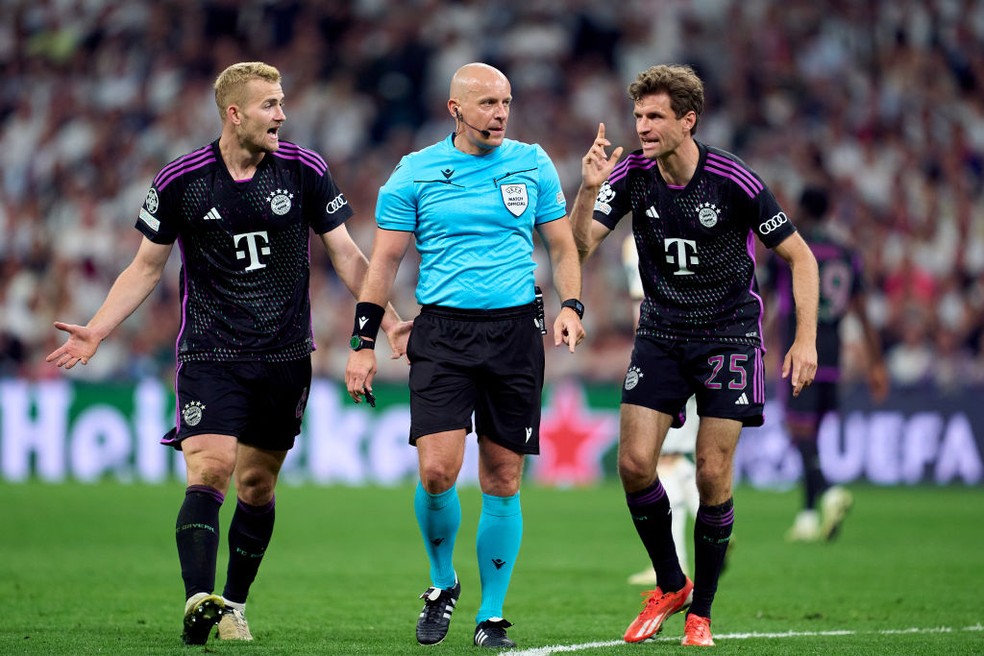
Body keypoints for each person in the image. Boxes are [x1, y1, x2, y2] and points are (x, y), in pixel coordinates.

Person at [46, 61, 409, 646]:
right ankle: (197, 600)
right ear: (234, 113)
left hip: (286, 355)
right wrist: (97, 329)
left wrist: (386, 321)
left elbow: (346, 254)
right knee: (210, 468)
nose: (282, 115)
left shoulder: (304, 170)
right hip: (209, 351)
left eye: (283, 103)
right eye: (270, 105)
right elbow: (145, 266)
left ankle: (233, 604)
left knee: (257, 487)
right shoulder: (182, 179)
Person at [571, 64, 819, 647]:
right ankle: (671, 583)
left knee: (711, 472)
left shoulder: (734, 180)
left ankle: (701, 611)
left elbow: (801, 258)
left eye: (654, 116)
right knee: (633, 465)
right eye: (637, 116)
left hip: (728, 334)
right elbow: (580, 244)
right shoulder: (630, 173)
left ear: (688, 121)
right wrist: (585, 189)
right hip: (660, 331)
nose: (642, 126)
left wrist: (804, 339)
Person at [344, 62, 585, 650]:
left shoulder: (533, 163)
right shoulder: (415, 173)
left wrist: (572, 304)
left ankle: (492, 614)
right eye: (487, 104)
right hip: (444, 334)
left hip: (515, 333)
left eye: (506, 102)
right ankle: (441, 583)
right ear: (455, 110)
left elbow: (561, 245)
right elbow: (385, 263)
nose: (500, 113)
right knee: (436, 471)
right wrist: (362, 343)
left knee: (502, 477)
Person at [767, 186, 889, 543]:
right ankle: (807, 516)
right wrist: (876, 364)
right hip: (832, 355)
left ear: (802, 211)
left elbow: (772, 301)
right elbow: (863, 312)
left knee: (796, 430)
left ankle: (830, 492)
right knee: (812, 434)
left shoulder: (788, 249)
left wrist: (757, 341)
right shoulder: (846, 252)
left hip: (800, 348)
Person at [622, 236, 701, 587]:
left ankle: (674, 565)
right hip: (710, 343)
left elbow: (641, 303)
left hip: (667, 352)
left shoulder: (637, 239)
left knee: (663, 459)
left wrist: (645, 357)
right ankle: (713, 525)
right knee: (679, 458)